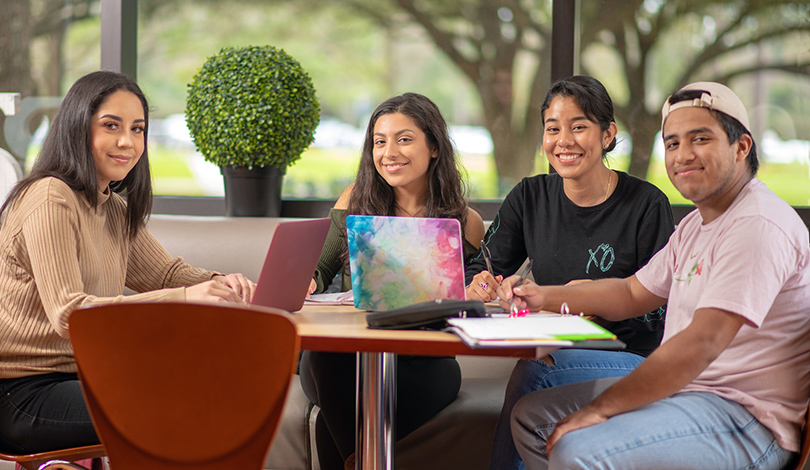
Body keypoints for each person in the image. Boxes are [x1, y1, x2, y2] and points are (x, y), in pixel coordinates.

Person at [505, 82, 809, 470]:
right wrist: (542, 296)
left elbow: (701, 344)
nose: (683, 155)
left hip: (744, 420)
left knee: (573, 448)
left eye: (700, 139)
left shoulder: (757, 223)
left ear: (741, 146)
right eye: (672, 143)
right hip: (690, 396)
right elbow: (633, 292)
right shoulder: (697, 226)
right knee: (533, 419)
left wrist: (598, 411)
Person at [0, 70, 255, 454]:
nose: (128, 141)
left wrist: (226, 282)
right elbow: (71, 314)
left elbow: (166, 274)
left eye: (138, 129)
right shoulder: (49, 196)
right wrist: (186, 298)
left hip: (81, 377)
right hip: (22, 393)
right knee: (183, 407)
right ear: (76, 129)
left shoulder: (112, 207)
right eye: (111, 125)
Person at [463, 76, 674, 470]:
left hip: (632, 356)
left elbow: (658, 311)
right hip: (559, 345)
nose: (564, 141)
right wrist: (482, 283)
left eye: (579, 126)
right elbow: (484, 267)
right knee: (542, 363)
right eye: (552, 128)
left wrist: (590, 299)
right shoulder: (529, 197)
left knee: (536, 372)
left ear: (608, 134)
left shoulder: (646, 205)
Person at [299, 92, 485, 470]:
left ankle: (355, 461)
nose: (389, 152)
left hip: (424, 361)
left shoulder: (464, 221)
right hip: (345, 355)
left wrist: (480, 287)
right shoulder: (355, 201)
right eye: (379, 142)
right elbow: (317, 273)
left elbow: (465, 300)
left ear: (434, 147)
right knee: (325, 358)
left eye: (404, 139)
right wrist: (305, 281)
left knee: (328, 427)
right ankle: (363, 462)